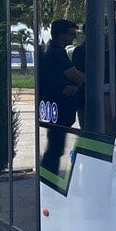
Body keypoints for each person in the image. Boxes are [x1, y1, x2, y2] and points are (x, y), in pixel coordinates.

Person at [40, 18, 85, 177]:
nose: (74, 38)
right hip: (58, 107)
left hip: (53, 107)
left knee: (55, 145)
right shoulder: (57, 53)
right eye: (71, 34)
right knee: (55, 147)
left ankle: (48, 176)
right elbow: (76, 76)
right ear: (61, 35)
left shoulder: (51, 51)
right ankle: (48, 177)